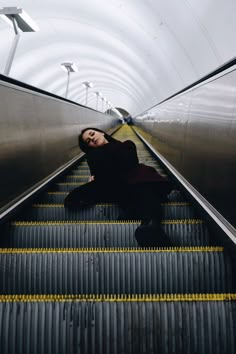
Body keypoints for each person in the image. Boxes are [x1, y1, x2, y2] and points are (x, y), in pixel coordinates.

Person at [64, 127, 173, 247]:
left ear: (101, 132)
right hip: (116, 186)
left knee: (144, 189)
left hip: (137, 181)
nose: (92, 139)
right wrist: (96, 175)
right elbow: (104, 175)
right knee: (74, 198)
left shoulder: (127, 145)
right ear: (89, 146)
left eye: (92, 134)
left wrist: (104, 153)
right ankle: (137, 214)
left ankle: (149, 225)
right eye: (88, 141)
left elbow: (128, 164)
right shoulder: (93, 156)